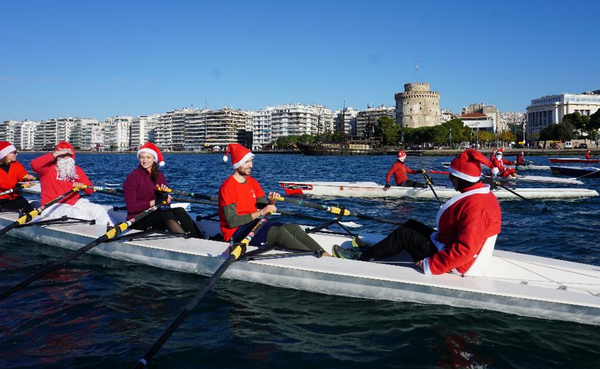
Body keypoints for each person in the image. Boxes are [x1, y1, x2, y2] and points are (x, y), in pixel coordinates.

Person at [333, 149, 502, 276]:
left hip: (457, 265)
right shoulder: (482, 196)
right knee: (411, 224)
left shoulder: (476, 207)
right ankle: (375, 250)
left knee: (404, 234)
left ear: (461, 178)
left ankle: (361, 257)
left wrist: (432, 264)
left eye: (452, 177)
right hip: (448, 245)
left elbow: (465, 249)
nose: (450, 180)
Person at [218, 143, 330, 256]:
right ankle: (312, 258)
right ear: (237, 164)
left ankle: (325, 256)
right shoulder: (227, 187)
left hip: (253, 224)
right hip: (236, 232)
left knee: (293, 227)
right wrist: (261, 212)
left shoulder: (252, 182)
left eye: (251, 161)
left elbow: (264, 206)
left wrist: (272, 201)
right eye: (247, 162)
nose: (251, 165)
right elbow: (232, 222)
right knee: (279, 232)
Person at [123, 142, 202, 238]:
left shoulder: (160, 176)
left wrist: (165, 197)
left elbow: (163, 202)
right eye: (142, 157)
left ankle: (198, 238)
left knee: (179, 211)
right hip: (137, 219)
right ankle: (183, 240)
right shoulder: (132, 178)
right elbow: (131, 208)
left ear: (154, 160)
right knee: (166, 214)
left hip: (154, 213)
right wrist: (154, 202)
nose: (144, 161)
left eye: (148, 157)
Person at [30, 141, 113, 227]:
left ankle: (113, 228)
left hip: (75, 203)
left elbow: (90, 190)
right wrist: (57, 153)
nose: (65, 157)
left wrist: (82, 187)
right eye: (62, 154)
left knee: (98, 210)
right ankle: (93, 232)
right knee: (75, 213)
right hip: (52, 205)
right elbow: (34, 164)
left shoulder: (77, 170)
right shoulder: (48, 169)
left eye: (68, 154)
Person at [0, 141, 36, 213]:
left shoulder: (16, 164)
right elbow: (3, 183)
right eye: (14, 152)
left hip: (14, 196)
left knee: (28, 209)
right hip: (2, 198)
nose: (16, 154)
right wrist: (17, 185)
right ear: (5, 154)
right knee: (13, 210)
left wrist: (26, 177)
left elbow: (21, 173)